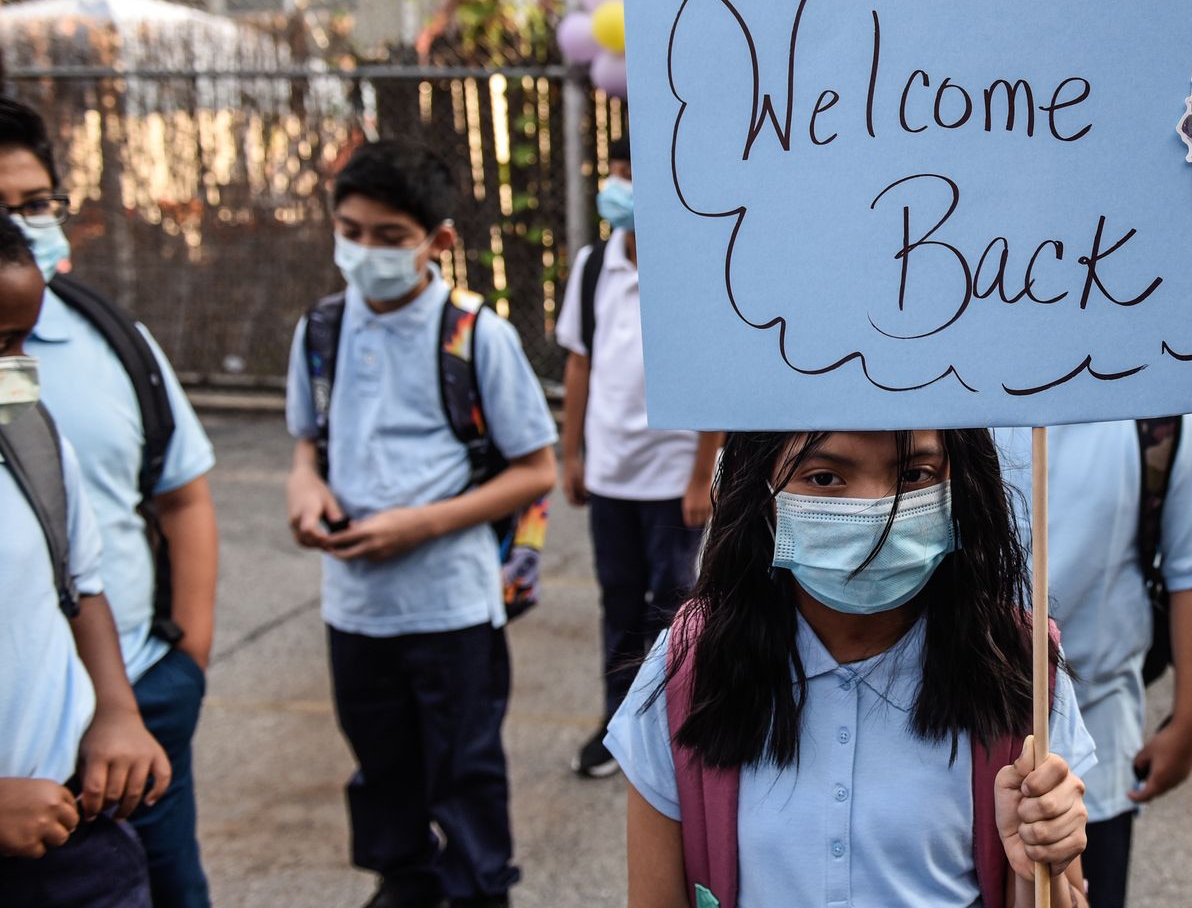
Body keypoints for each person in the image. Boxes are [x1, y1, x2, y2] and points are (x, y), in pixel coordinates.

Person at [606, 429, 1096, 908]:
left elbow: (1064, 896)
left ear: (964, 482)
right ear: (756, 486)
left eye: (913, 474)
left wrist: (1038, 869)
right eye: (824, 478)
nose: (875, 513)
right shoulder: (690, 665)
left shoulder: (1019, 668)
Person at [283, 141, 558, 908]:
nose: (366, 252)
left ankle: (477, 889)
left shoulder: (476, 336)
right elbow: (307, 444)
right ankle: (402, 879)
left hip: (450, 606)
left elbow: (537, 469)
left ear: (437, 242)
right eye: (352, 230)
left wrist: (422, 525)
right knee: (380, 762)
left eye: (390, 237)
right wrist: (304, 490)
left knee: (464, 770)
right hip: (356, 607)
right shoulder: (321, 331)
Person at [0, 96, 220, 908]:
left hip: (125, 728)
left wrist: (169, 678)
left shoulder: (55, 389)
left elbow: (91, 568)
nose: (17, 367)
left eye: (35, 205)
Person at [994, 416, 1192, 906]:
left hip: (1097, 750)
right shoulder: (940, 380)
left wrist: (1191, 719)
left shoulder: (1156, 399)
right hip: (944, 737)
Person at [0, 216, 174, 905]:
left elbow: (81, 587)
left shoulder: (30, 436)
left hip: (74, 844)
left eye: (21, 340)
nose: (17, 367)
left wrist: (117, 714)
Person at [557, 138, 723, 778]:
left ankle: (677, 726)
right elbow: (580, 362)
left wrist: (700, 471)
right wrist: (571, 454)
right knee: (618, 601)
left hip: (672, 478)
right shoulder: (594, 266)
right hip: (610, 475)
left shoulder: (690, 269)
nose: (620, 186)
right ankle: (617, 723)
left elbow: (709, 374)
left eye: (633, 174)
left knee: (677, 606)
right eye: (617, 172)